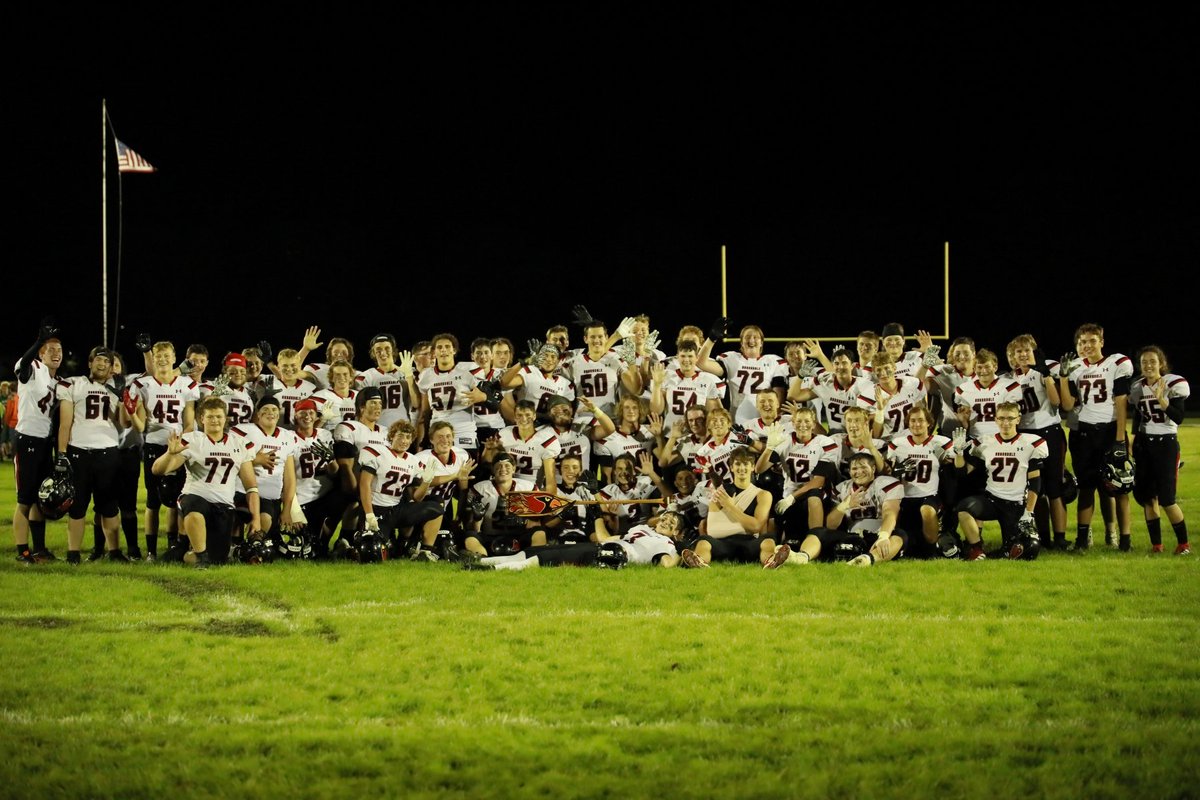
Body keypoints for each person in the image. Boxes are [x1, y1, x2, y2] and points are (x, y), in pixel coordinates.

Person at [152, 397, 261, 567]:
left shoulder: (239, 443)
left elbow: (251, 487)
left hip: (223, 505)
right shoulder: (193, 440)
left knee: (218, 560)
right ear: (201, 419)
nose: (215, 421)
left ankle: (185, 553)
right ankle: (201, 558)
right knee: (195, 507)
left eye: (218, 416)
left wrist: (256, 519)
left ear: (225, 419)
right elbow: (158, 470)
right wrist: (170, 454)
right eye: (210, 417)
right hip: (195, 495)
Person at [1058, 323, 1134, 550]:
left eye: (1092, 340)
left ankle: (1125, 541)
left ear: (1102, 341)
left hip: (1110, 431)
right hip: (1084, 433)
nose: (1087, 345)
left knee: (1119, 486)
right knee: (1086, 487)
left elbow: (1121, 401)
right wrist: (1063, 377)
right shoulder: (1074, 367)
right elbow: (1068, 404)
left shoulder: (1116, 363)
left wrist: (1120, 438)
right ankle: (1082, 540)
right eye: (1082, 342)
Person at [765, 451, 907, 568]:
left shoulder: (886, 484)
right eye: (854, 468)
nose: (859, 472)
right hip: (853, 534)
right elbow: (831, 525)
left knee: (900, 536)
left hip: (877, 534)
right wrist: (844, 506)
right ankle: (801, 557)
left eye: (863, 467)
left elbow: (890, 512)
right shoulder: (843, 488)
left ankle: (867, 560)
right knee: (818, 532)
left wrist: (883, 537)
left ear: (874, 469)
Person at [945, 402, 1048, 561]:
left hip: (1016, 504)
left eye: (1010, 418)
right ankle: (976, 549)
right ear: (996, 420)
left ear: (1018, 420)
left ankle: (1005, 549)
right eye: (1001, 418)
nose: (1005, 423)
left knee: (1023, 549)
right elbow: (962, 473)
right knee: (963, 508)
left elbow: (1035, 481)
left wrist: (1029, 512)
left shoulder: (1031, 443)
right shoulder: (986, 442)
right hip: (992, 500)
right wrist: (959, 453)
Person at [57, 347, 133, 563]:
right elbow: (65, 423)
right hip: (79, 452)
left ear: (111, 368)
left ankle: (115, 551)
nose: (102, 364)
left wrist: (121, 398)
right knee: (77, 506)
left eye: (107, 362)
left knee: (109, 506)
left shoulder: (115, 388)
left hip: (108, 452)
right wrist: (62, 454)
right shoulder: (73, 384)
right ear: (90, 363)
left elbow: (125, 423)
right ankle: (73, 553)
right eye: (98, 360)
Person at [130, 341, 199, 560]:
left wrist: (180, 443)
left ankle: (175, 545)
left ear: (174, 357)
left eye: (166, 355)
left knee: (177, 498)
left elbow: (189, 422)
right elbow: (140, 426)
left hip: (176, 446)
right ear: (153, 359)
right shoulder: (143, 385)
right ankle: (151, 550)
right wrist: (131, 412)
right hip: (153, 444)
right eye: (158, 356)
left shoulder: (187, 384)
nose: (162, 359)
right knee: (152, 499)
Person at [1005, 335, 1067, 550]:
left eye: (1026, 350)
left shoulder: (1044, 370)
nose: (1022, 355)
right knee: (1034, 489)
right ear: (1012, 356)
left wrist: (1046, 375)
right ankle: (1042, 536)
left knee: (1054, 488)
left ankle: (1060, 538)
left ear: (1034, 351)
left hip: (1049, 431)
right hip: (1026, 435)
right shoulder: (1008, 379)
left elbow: (1057, 402)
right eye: (1018, 351)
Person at [1129, 345, 1190, 555]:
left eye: (1152, 362)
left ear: (1161, 364)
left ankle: (1184, 545)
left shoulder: (1173, 384)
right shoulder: (1137, 387)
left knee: (1167, 499)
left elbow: (1179, 417)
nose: (1148, 365)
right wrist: (1132, 437)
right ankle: (1157, 545)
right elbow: (1138, 414)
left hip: (1166, 444)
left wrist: (1162, 401)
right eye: (1144, 362)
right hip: (1145, 445)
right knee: (1148, 497)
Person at [471, 510, 686, 570]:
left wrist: (681, 555)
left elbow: (665, 564)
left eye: (672, 522)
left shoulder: (667, 544)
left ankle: (493, 570)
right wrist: (596, 515)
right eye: (666, 517)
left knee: (555, 558)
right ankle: (482, 562)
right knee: (545, 550)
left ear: (678, 533)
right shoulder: (641, 528)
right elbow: (604, 537)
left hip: (614, 557)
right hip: (602, 546)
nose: (666, 521)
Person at [12, 320, 63, 563]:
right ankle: (22, 551)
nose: (56, 354)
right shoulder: (32, 367)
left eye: (59, 350)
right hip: (28, 439)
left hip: (44, 443)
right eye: (50, 349)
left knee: (40, 499)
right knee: (24, 499)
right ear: (41, 353)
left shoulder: (58, 380)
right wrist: (39, 341)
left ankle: (40, 549)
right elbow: (22, 366)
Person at [357, 420, 443, 557]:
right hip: (377, 509)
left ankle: (419, 548)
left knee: (436, 508)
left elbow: (416, 497)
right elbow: (364, 484)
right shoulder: (377, 452)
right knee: (373, 551)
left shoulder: (413, 461)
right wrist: (369, 514)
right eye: (400, 436)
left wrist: (426, 482)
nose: (404, 441)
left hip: (396, 509)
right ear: (391, 436)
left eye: (408, 437)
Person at [679, 447, 776, 567]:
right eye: (738, 464)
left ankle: (771, 562)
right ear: (731, 467)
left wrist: (730, 506)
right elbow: (713, 530)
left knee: (768, 541)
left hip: (749, 544)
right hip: (723, 544)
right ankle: (699, 562)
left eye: (746, 464)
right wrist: (746, 525)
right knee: (703, 542)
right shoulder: (721, 492)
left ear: (752, 467)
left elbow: (756, 527)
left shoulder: (763, 495)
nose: (742, 468)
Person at [757, 406, 839, 547]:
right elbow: (759, 469)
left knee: (814, 495)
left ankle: (816, 542)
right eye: (799, 421)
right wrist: (769, 448)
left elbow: (818, 481)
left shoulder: (825, 444)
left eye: (807, 421)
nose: (803, 425)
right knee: (772, 512)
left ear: (813, 424)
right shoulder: (784, 441)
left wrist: (792, 497)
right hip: (789, 496)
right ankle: (767, 547)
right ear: (793, 424)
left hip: (815, 496)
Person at [885, 406, 954, 558]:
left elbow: (956, 471)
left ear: (929, 423)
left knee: (927, 511)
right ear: (908, 423)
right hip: (904, 496)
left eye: (921, 420)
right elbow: (888, 473)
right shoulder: (898, 444)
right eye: (913, 421)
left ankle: (933, 549)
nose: (917, 424)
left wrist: (949, 459)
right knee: (909, 540)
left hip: (930, 495)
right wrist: (896, 469)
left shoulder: (941, 442)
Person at [700, 324, 789, 426]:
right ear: (741, 343)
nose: (751, 340)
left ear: (761, 343)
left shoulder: (773, 361)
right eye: (747, 337)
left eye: (755, 337)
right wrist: (711, 339)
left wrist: (774, 419)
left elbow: (779, 394)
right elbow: (701, 363)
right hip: (737, 420)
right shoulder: (732, 359)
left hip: (765, 420)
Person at [417, 332, 488, 452]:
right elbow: (425, 411)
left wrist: (483, 396)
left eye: (447, 347)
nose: (443, 350)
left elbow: (489, 398)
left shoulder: (467, 371)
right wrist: (425, 436)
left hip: (463, 429)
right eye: (439, 347)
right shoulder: (426, 375)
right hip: (437, 429)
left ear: (454, 350)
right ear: (434, 353)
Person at [789, 344, 874, 434]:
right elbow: (794, 396)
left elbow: (872, 418)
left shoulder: (864, 385)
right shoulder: (825, 383)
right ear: (833, 366)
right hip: (834, 436)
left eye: (844, 363)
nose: (840, 367)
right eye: (837, 364)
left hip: (858, 434)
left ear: (852, 366)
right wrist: (800, 376)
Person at [650, 341, 725, 432]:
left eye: (690, 356)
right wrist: (657, 385)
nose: (686, 360)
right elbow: (656, 411)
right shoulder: (667, 376)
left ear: (697, 358)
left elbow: (716, 414)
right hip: (671, 433)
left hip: (697, 435)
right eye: (683, 356)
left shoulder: (707, 380)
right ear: (677, 357)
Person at [954, 349, 1022, 440]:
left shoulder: (1009, 386)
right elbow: (966, 424)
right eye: (979, 367)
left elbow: (1012, 418)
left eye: (987, 366)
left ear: (995, 367)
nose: (983, 370)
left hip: (1002, 438)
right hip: (975, 439)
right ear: (974, 368)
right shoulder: (964, 389)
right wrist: (963, 420)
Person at [355, 334, 419, 431]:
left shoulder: (407, 371)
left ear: (393, 350)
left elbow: (416, 404)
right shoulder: (367, 377)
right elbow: (362, 410)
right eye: (378, 349)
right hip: (378, 430)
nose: (383, 352)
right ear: (373, 353)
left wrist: (409, 376)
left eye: (387, 348)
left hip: (403, 429)